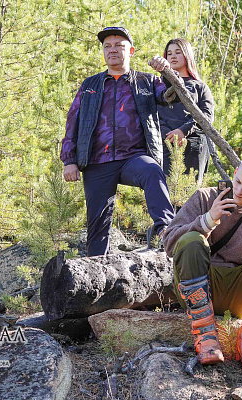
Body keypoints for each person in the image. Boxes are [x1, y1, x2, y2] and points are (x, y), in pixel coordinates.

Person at [163, 153, 242, 373]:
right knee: (191, 239)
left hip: (240, 294)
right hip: (200, 290)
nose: (240, 191)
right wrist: (208, 220)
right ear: (233, 174)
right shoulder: (205, 197)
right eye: (238, 181)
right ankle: (205, 336)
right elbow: (170, 243)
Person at [61, 27, 176, 256]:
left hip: (133, 157)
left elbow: (172, 95)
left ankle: (167, 231)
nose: (112, 50)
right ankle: (97, 270)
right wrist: (69, 160)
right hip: (97, 161)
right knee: (97, 226)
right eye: (107, 46)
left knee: (152, 171)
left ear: (130, 51)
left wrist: (167, 72)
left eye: (119, 46)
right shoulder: (90, 85)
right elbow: (73, 122)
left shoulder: (147, 81)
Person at [159, 38, 214, 185]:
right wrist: (170, 136)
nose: (173, 56)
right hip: (165, 146)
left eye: (178, 52)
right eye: (169, 53)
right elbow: (153, 115)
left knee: (191, 195)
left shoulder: (200, 87)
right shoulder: (159, 87)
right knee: (164, 193)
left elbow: (207, 116)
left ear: (187, 55)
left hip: (194, 146)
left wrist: (183, 131)